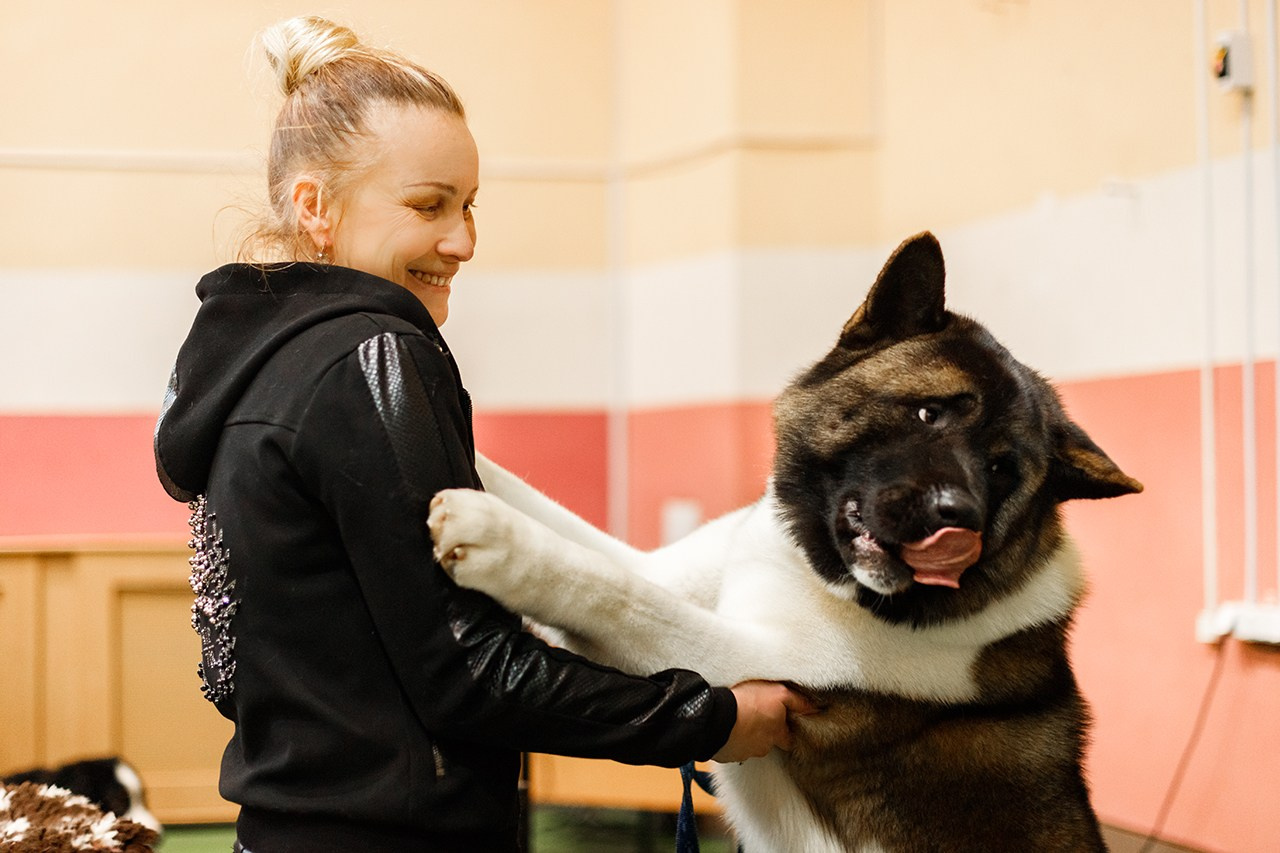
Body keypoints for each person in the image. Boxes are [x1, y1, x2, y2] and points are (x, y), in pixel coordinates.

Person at [154, 16, 812, 853]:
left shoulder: (246, 369)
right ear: (315, 207)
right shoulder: (373, 357)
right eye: (429, 206)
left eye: (467, 206)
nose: (463, 241)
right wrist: (711, 716)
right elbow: (470, 671)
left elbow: (235, 669)